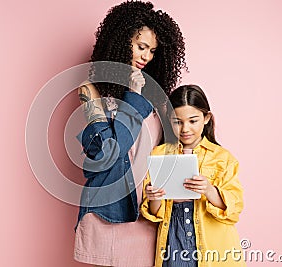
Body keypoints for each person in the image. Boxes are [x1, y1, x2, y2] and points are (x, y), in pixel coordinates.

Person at [74, 1, 186, 266]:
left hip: (149, 210)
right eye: (141, 46)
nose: (146, 56)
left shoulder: (158, 97)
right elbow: (106, 153)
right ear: (121, 40)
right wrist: (133, 97)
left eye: (153, 51)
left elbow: (167, 152)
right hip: (108, 211)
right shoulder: (91, 90)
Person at [142, 84, 245, 267]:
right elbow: (153, 212)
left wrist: (209, 190)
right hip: (173, 238)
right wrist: (154, 197)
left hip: (213, 245)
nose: (185, 129)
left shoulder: (223, 158)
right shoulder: (159, 154)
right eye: (177, 121)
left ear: (206, 118)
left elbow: (234, 210)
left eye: (193, 120)